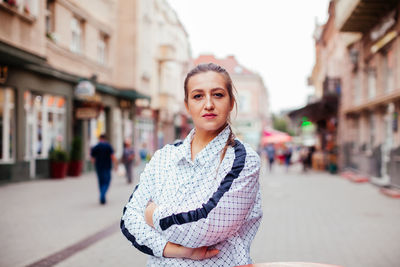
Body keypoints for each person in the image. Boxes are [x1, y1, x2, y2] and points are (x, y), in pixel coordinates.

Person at [121, 63, 262, 266]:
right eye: (198, 96)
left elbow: (205, 225)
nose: (208, 104)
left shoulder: (243, 159)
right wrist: (178, 250)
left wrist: (152, 214)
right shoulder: (165, 157)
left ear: (231, 102)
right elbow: (130, 219)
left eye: (218, 95)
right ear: (187, 106)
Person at [91, 134, 116, 204]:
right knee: (107, 182)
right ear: (105, 139)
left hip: (99, 167)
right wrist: (116, 165)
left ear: (99, 139)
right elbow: (112, 156)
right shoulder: (108, 146)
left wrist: (95, 165)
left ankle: (102, 195)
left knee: (101, 182)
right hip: (107, 167)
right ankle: (102, 195)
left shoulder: (96, 147)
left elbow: (92, 158)